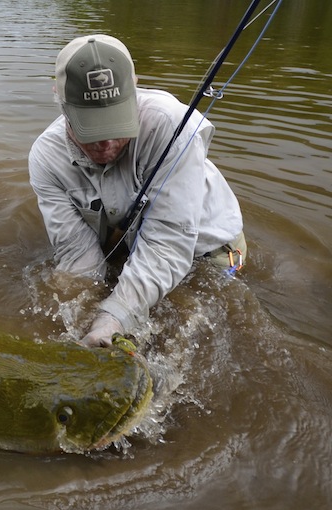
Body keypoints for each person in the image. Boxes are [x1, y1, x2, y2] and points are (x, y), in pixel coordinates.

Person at [28, 35, 247, 348]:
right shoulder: (46, 158)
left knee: (192, 335)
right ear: (60, 103)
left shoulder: (170, 127)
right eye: (90, 128)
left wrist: (113, 317)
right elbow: (77, 255)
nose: (106, 143)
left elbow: (167, 242)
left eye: (115, 123)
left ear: (135, 89)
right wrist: (82, 315)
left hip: (207, 252)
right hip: (131, 243)